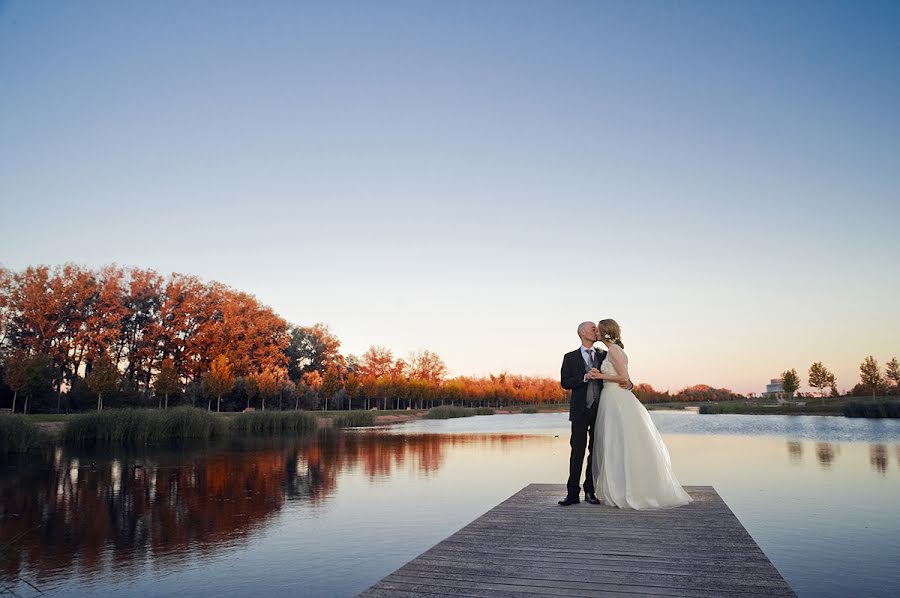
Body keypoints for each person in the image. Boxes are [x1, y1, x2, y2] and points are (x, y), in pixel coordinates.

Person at [591, 318, 692, 509]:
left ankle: (631, 490)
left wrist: (599, 375)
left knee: (620, 442)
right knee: (615, 443)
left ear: (605, 332)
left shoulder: (613, 350)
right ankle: (619, 488)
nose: (595, 332)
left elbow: (624, 378)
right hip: (611, 398)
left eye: (597, 330)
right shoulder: (611, 350)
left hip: (616, 398)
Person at [558, 321, 632, 506]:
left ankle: (590, 491)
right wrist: (584, 377)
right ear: (583, 332)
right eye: (592, 328)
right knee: (577, 451)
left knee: (596, 451)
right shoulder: (570, 357)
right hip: (580, 411)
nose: (596, 331)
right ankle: (572, 493)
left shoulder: (605, 354)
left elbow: (620, 376)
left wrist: (630, 385)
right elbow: (565, 382)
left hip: (602, 410)